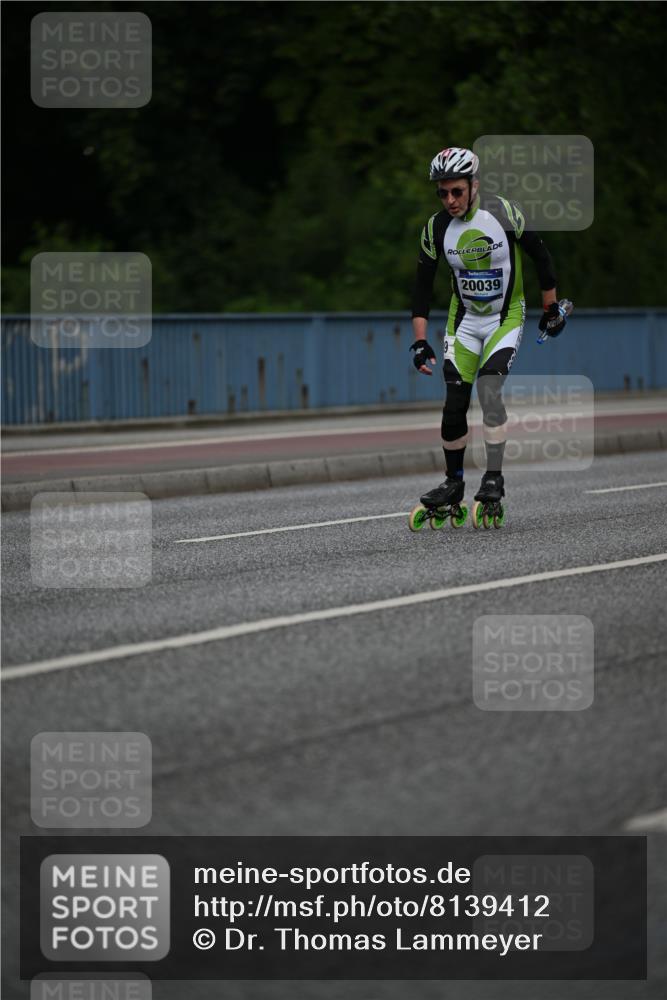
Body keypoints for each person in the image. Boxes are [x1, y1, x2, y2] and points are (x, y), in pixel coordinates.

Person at [410, 146, 565, 518]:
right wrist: (418, 341)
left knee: (490, 387)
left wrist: (551, 308)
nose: (450, 200)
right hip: (463, 321)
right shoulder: (436, 228)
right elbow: (421, 288)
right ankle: (454, 482)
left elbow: (541, 258)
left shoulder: (503, 213)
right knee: (455, 402)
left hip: (504, 318)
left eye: (457, 191)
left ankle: (493, 478)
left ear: (474, 185)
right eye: (443, 193)